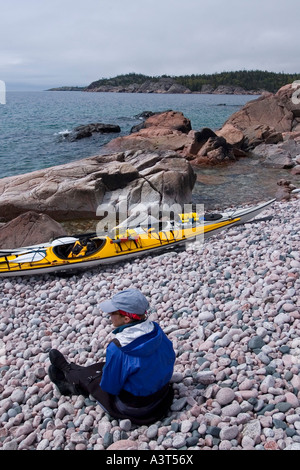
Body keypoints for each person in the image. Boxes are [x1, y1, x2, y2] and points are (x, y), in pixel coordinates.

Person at [48, 288, 175, 425]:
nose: (109, 315)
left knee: (95, 379)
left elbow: (110, 387)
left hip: (137, 408)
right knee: (106, 367)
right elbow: (170, 357)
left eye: (112, 313)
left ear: (126, 319)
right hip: (162, 395)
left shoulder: (119, 348)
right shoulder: (156, 331)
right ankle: (74, 370)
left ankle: (69, 378)